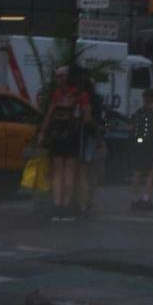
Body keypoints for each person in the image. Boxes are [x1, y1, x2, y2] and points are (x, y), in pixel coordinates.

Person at [38, 65, 91, 222]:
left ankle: (57, 206)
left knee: (57, 171)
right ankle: (66, 207)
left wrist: (42, 133)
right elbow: (86, 117)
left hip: (56, 134)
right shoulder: (81, 95)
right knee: (69, 171)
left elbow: (49, 115)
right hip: (72, 135)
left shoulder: (57, 94)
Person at [76, 70, 105, 217]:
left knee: (82, 171)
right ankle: (88, 199)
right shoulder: (97, 99)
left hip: (84, 135)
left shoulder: (83, 98)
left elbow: (86, 118)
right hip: (94, 136)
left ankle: (83, 202)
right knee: (90, 171)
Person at [127, 87, 153, 212]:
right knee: (150, 172)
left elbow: (130, 128)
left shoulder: (137, 113)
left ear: (143, 99)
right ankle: (146, 198)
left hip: (137, 145)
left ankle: (135, 199)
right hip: (149, 145)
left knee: (136, 172)